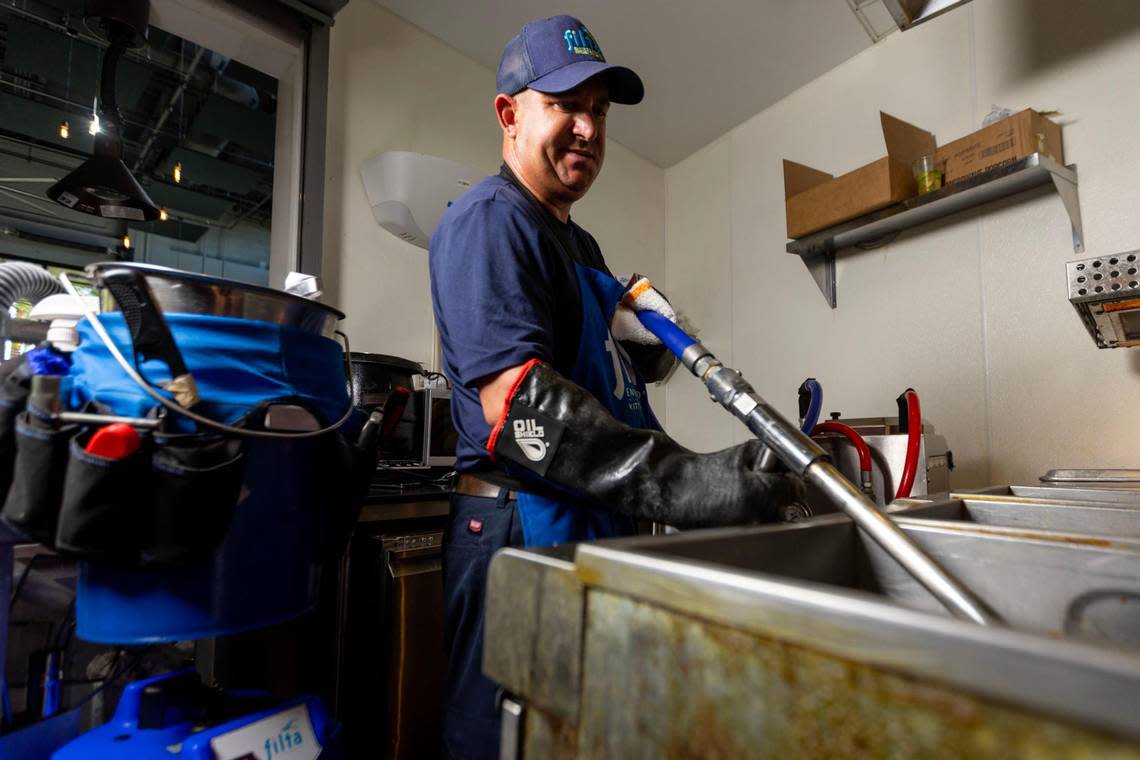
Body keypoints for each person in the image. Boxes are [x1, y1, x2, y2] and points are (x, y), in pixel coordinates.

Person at [428, 14, 803, 759]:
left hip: (592, 519)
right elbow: (519, 407)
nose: (588, 129)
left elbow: (603, 381)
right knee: (511, 740)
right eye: (565, 104)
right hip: (523, 529)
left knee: (583, 734)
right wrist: (684, 483)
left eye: (598, 111)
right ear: (510, 113)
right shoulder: (487, 222)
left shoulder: (582, 246)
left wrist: (646, 350)